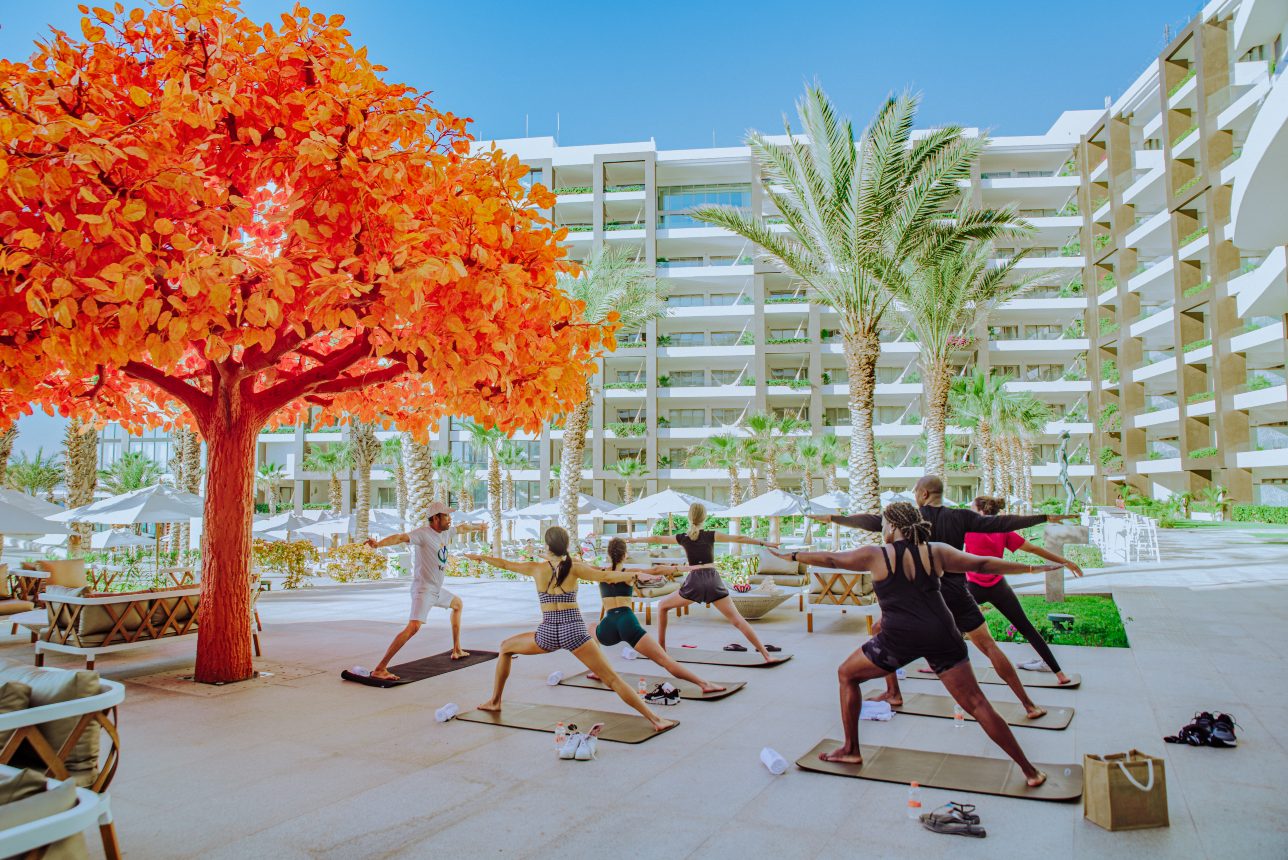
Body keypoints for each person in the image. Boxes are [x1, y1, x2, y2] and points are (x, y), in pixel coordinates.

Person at [771, 502, 1060, 787]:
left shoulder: (876, 555)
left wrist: (794, 555)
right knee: (977, 703)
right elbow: (982, 563)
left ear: (894, 526)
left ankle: (850, 750)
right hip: (942, 633)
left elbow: (833, 560)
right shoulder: (937, 551)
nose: (882, 528)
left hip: (899, 638)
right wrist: (1033, 568)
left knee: (847, 675)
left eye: (884, 523)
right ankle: (1030, 771)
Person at [811, 476, 1077, 717]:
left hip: (927, 596)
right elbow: (999, 523)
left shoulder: (912, 516)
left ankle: (893, 693)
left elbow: (872, 522)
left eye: (915, 490)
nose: (914, 495)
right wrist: (1043, 517)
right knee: (988, 646)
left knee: (881, 630)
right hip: (957, 592)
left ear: (924, 494)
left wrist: (835, 519)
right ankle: (1028, 705)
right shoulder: (961, 516)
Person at [465, 527, 677, 732]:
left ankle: (495, 701)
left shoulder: (537, 568)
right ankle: (656, 719)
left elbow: (505, 564)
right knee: (612, 679)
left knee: (505, 648)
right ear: (565, 545)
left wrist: (481, 558)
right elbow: (605, 577)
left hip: (547, 633)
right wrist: (636, 574)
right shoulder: (574, 567)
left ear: (548, 545)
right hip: (574, 632)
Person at [620, 502, 781, 664]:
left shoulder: (683, 537)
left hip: (695, 581)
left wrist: (633, 540)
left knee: (662, 606)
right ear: (704, 517)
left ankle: (662, 649)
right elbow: (739, 538)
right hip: (712, 580)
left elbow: (656, 538)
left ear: (689, 517)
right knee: (738, 620)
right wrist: (764, 543)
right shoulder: (711, 535)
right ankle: (767, 655)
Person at [585, 537, 726, 698]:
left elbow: (577, 566)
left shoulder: (599, 573)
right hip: (627, 622)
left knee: (591, 627)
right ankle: (704, 684)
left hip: (608, 625)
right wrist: (687, 568)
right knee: (664, 660)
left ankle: (597, 671)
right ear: (625, 555)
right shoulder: (630, 573)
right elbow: (657, 570)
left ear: (608, 555)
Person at [965, 496, 1083, 685]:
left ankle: (937, 665)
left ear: (980, 512)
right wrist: (1065, 561)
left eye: (971, 508)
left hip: (973, 587)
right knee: (1026, 628)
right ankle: (1060, 675)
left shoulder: (969, 530)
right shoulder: (1002, 531)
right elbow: (1034, 549)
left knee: (949, 624)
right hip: (998, 586)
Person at [363, 502, 487, 681]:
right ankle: (380, 668)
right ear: (436, 518)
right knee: (413, 627)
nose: (449, 518)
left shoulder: (445, 532)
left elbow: (462, 528)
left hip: (436, 589)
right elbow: (399, 537)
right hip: (423, 589)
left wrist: (478, 526)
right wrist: (378, 545)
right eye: (446, 515)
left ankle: (457, 649)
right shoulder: (422, 534)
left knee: (457, 604)